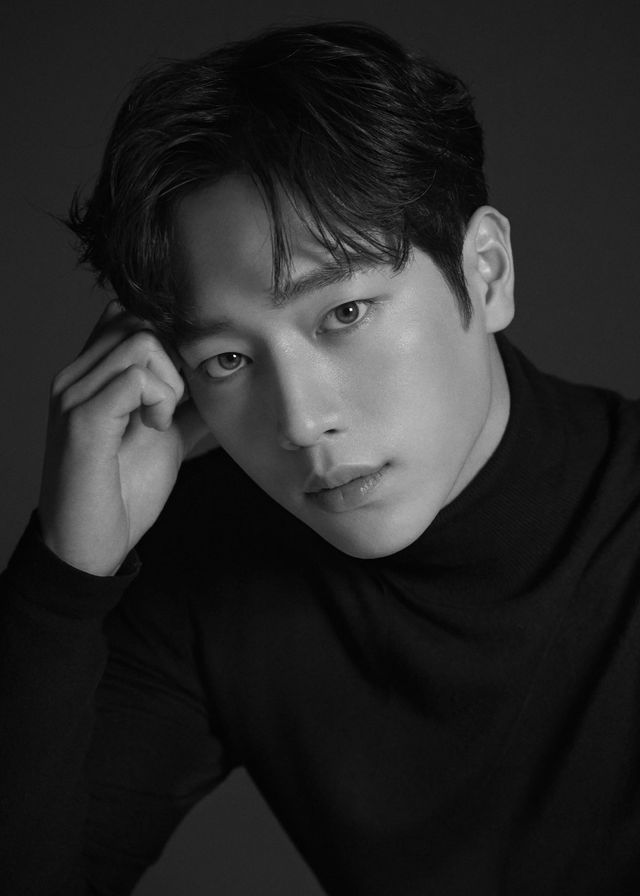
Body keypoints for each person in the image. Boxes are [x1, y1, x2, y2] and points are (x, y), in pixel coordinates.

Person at [1, 18, 639, 896]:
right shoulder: (211, 563)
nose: (300, 422)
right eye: (229, 359)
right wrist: (64, 575)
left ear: (486, 272)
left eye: (343, 314)